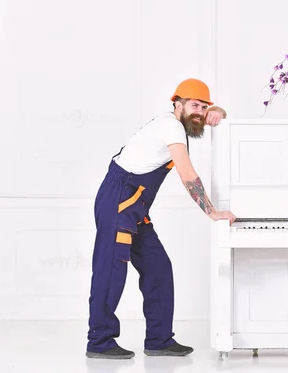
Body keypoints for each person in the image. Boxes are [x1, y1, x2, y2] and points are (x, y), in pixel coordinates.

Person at [85, 78, 236, 359]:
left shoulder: (181, 123)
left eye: (204, 107)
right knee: (111, 268)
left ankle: (159, 339)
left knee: (158, 268)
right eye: (194, 105)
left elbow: (214, 111)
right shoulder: (171, 126)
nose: (200, 112)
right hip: (119, 198)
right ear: (176, 104)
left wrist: (220, 111)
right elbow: (187, 174)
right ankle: (99, 340)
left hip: (135, 205)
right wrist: (213, 213)